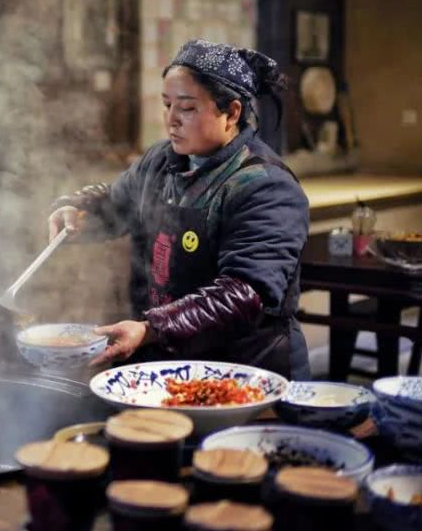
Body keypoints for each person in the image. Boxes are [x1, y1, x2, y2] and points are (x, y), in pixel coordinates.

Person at [48, 40, 310, 379]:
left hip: (244, 373)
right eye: (167, 104)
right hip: (165, 365)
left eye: (186, 108)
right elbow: (115, 205)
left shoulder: (266, 186)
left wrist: (151, 329)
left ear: (231, 112)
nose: (171, 120)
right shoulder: (160, 161)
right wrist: (76, 212)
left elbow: (243, 293)